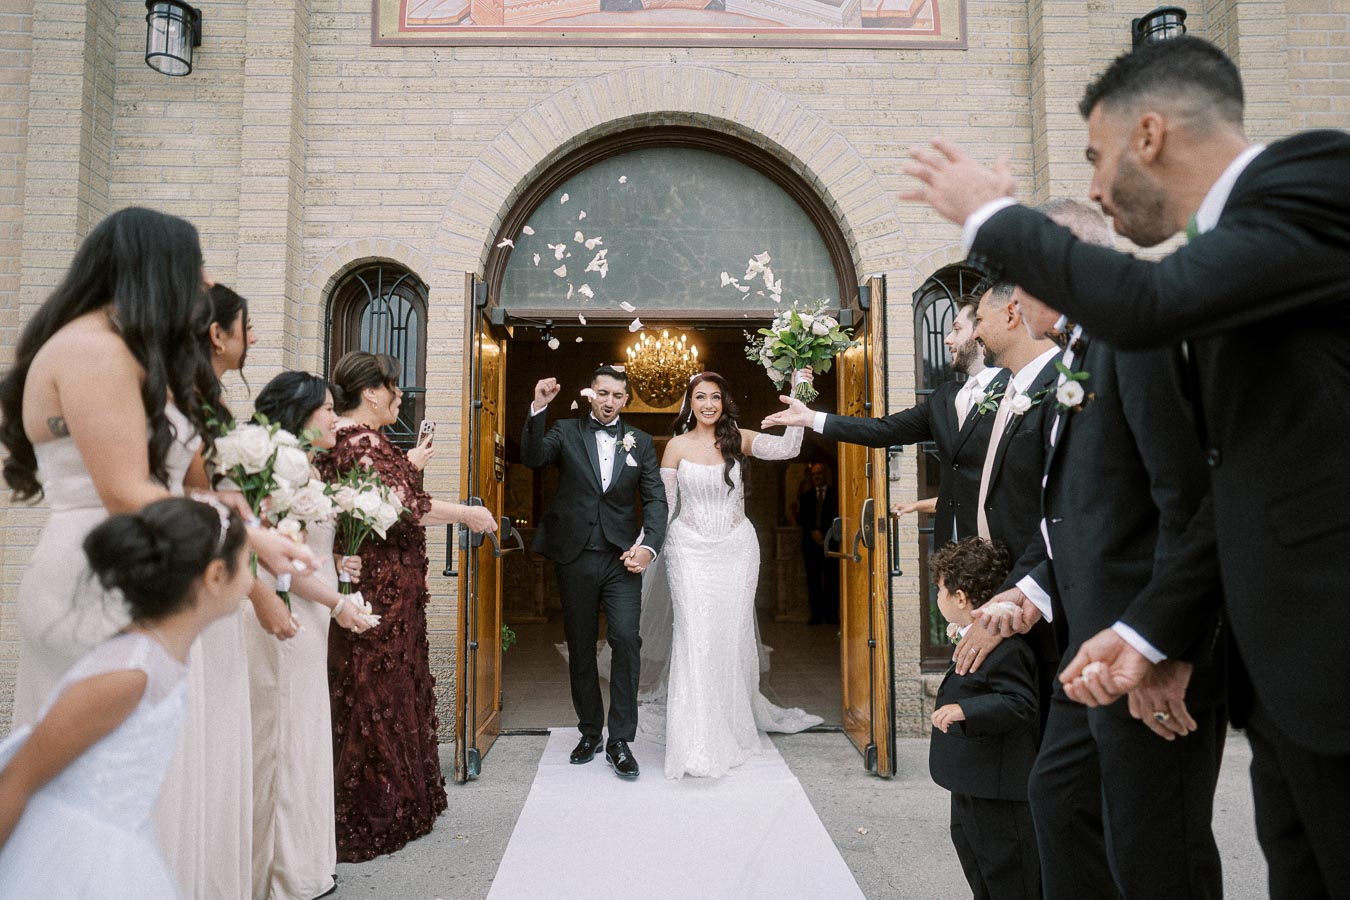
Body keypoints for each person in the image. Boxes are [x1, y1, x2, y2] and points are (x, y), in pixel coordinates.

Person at [903, 36, 1350, 897]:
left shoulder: (1316, 181)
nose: (1098, 190)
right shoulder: (1222, 264)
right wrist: (1156, 632)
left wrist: (990, 216)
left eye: (1097, 159)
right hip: (1280, 666)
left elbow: (1143, 315)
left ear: (1150, 134)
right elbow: (1235, 486)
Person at [984, 199, 1227, 899]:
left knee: (1156, 852)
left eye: (1019, 274)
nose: (1012, 297)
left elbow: (1184, 500)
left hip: (1139, 647)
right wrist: (1031, 591)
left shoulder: (1137, 337)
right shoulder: (1083, 350)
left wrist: (1165, 646)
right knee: (1060, 804)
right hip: (1086, 646)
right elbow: (1078, 509)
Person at [0, 207, 310, 729]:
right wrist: (249, 540)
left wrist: (218, 503)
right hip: (102, 573)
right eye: (196, 267)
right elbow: (123, 490)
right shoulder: (93, 350)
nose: (207, 282)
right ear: (156, 271)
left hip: (143, 563)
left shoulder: (115, 349)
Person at [0, 496, 251, 899]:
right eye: (248, 564)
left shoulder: (168, 658)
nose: (254, 580)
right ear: (217, 575)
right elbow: (17, 780)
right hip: (74, 861)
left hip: (122, 839)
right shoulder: (127, 674)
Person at [319, 351, 496, 860]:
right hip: (380, 587)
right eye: (394, 388)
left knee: (378, 685)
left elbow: (379, 496)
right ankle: (373, 807)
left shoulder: (353, 440)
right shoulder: (364, 440)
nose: (400, 396)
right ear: (372, 392)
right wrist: (468, 513)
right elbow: (403, 509)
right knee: (377, 689)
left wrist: (410, 464)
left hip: (387, 582)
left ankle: (393, 798)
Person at [654, 371, 822, 779]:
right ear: (689, 403)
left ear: (723, 401)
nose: (708, 404)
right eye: (700, 397)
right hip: (689, 550)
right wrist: (644, 546)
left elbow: (785, 450)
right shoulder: (675, 447)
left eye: (715, 397)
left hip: (735, 550)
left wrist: (800, 397)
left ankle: (730, 724)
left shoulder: (739, 438)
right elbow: (664, 507)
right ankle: (694, 739)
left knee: (730, 638)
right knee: (695, 636)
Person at [246, 371, 374, 899]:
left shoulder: (302, 466)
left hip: (306, 613)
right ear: (299, 415)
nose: (334, 418)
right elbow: (272, 561)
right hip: (286, 617)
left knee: (302, 733)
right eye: (325, 409)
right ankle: (283, 873)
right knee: (285, 738)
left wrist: (337, 562)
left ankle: (301, 861)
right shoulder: (281, 468)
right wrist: (339, 601)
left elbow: (298, 550)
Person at [763, 298, 1005, 550]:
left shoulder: (1013, 389)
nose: (947, 339)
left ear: (980, 332)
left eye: (956, 329)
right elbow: (881, 430)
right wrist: (810, 418)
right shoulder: (943, 399)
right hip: (950, 551)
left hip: (997, 548)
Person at [521, 365, 668, 778]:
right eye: (602, 393)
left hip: (622, 558)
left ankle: (620, 739)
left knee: (625, 639)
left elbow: (655, 500)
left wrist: (649, 547)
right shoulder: (566, 431)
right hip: (576, 556)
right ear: (591, 394)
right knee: (581, 646)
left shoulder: (639, 442)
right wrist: (538, 407)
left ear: (625, 400)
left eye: (617, 396)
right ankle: (591, 730)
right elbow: (533, 457)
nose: (608, 402)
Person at [927, 537, 1039, 900]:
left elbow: (1020, 703)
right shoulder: (970, 637)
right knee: (976, 865)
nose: (937, 597)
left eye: (940, 590)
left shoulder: (1007, 649)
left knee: (1007, 873)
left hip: (999, 791)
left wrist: (965, 710)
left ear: (960, 598)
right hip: (971, 782)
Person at [797, 462, 839, 625]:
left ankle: (831, 615)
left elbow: (837, 516)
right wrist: (814, 532)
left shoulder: (836, 494)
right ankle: (816, 615)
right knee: (813, 580)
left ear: (825, 475)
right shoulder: (805, 496)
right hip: (811, 544)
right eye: (814, 475)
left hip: (831, 543)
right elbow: (802, 518)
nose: (816, 477)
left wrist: (825, 535)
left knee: (832, 580)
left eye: (819, 474)